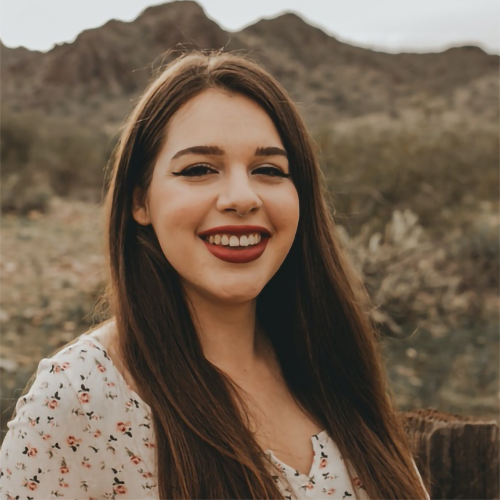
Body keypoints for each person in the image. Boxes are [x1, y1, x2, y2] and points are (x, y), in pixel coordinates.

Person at [0, 50, 430, 500]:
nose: (242, 197)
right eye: (199, 169)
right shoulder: (83, 394)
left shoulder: (329, 358)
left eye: (269, 170)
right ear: (140, 202)